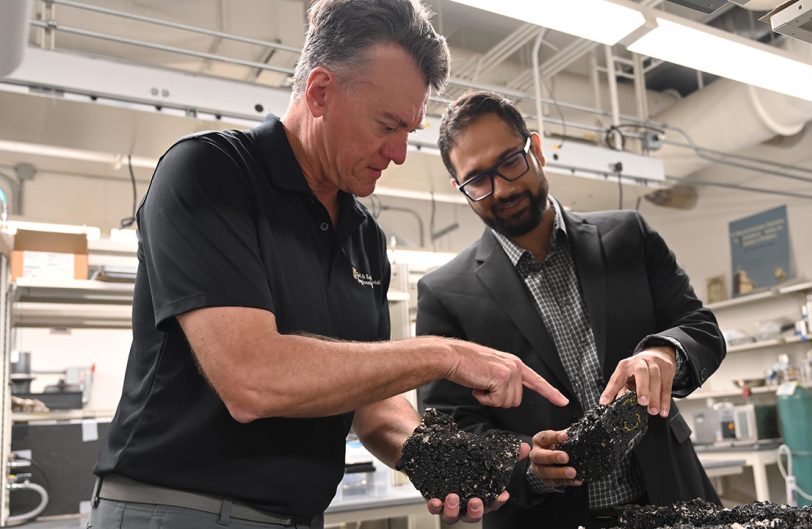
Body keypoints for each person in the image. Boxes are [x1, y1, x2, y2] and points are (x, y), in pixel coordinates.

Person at [91, 5, 568, 529]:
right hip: (180, 509)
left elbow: (375, 411)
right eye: (388, 125)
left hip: (302, 516)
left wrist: (458, 459)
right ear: (320, 92)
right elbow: (251, 379)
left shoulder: (364, 237)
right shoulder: (212, 173)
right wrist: (443, 354)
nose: (400, 153)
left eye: (409, 130)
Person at [417, 91, 726, 529]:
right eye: (478, 180)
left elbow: (700, 328)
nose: (502, 188)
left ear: (536, 149)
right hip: (543, 517)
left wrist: (665, 354)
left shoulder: (627, 237)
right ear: (460, 189)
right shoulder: (445, 292)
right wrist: (525, 463)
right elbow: (451, 428)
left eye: (510, 162)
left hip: (670, 499)